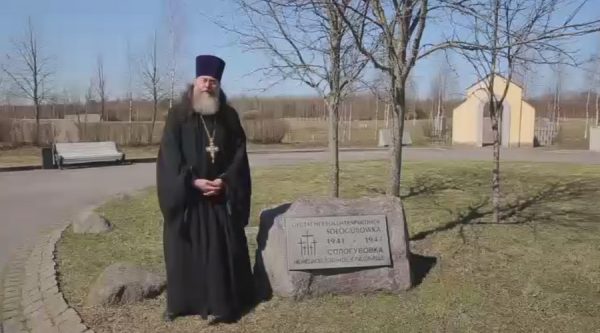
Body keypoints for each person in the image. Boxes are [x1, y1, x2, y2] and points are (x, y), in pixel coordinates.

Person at [156, 54, 255, 324]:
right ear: (195, 81)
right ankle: (184, 303)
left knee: (222, 252)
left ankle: (223, 302)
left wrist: (225, 181)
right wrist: (191, 182)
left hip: (219, 197)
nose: (207, 85)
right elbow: (169, 155)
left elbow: (239, 155)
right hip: (190, 199)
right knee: (185, 251)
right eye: (204, 80)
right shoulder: (178, 116)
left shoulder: (229, 116)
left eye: (213, 81)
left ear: (218, 84)